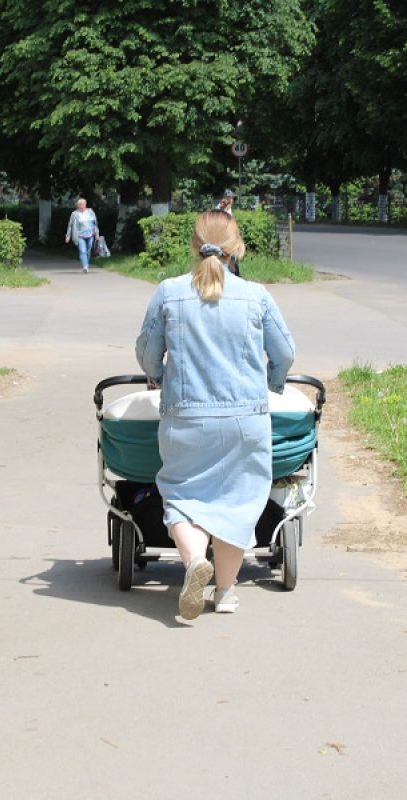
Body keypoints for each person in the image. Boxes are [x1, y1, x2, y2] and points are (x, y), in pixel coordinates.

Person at [135, 211, 295, 620]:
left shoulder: (169, 293)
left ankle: (193, 565)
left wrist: (156, 377)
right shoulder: (256, 295)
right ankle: (225, 592)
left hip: (187, 421)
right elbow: (285, 354)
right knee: (238, 502)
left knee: (182, 495)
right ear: (237, 247)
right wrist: (272, 382)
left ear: (193, 246)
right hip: (246, 421)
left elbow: (148, 352)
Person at [65, 198, 99, 273]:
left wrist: (97, 233)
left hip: (90, 234)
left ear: (85, 204)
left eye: (83, 204)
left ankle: (86, 263)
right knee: (82, 251)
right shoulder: (74, 214)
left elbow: (95, 224)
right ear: (78, 206)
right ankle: (85, 266)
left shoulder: (90, 212)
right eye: (80, 205)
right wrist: (68, 236)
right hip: (79, 235)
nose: (82, 206)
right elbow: (70, 225)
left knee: (88, 250)